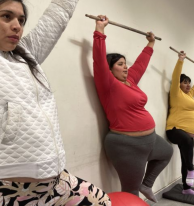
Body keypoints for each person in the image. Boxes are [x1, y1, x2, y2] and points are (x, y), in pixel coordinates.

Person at [0, 1, 111, 205]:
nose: (17, 25)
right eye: (6, 16)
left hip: (57, 181)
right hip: (12, 191)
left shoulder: (26, 54)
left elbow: (58, 14)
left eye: (21, 20)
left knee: (102, 201)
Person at [93, 15, 173, 203]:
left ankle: (147, 184)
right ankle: (139, 191)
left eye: (125, 63)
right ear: (110, 69)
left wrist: (150, 44)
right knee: (130, 192)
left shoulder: (130, 81)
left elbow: (141, 65)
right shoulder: (109, 84)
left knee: (167, 152)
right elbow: (98, 59)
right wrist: (100, 30)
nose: (126, 67)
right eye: (120, 64)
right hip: (127, 145)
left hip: (150, 140)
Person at [166, 51, 194, 196]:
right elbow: (176, 76)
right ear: (179, 84)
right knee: (188, 147)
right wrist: (180, 60)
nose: (188, 85)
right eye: (185, 82)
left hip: (187, 135)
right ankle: (191, 168)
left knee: (185, 158)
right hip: (175, 130)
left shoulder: (189, 95)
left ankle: (186, 188)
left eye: (188, 82)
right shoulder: (176, 93)